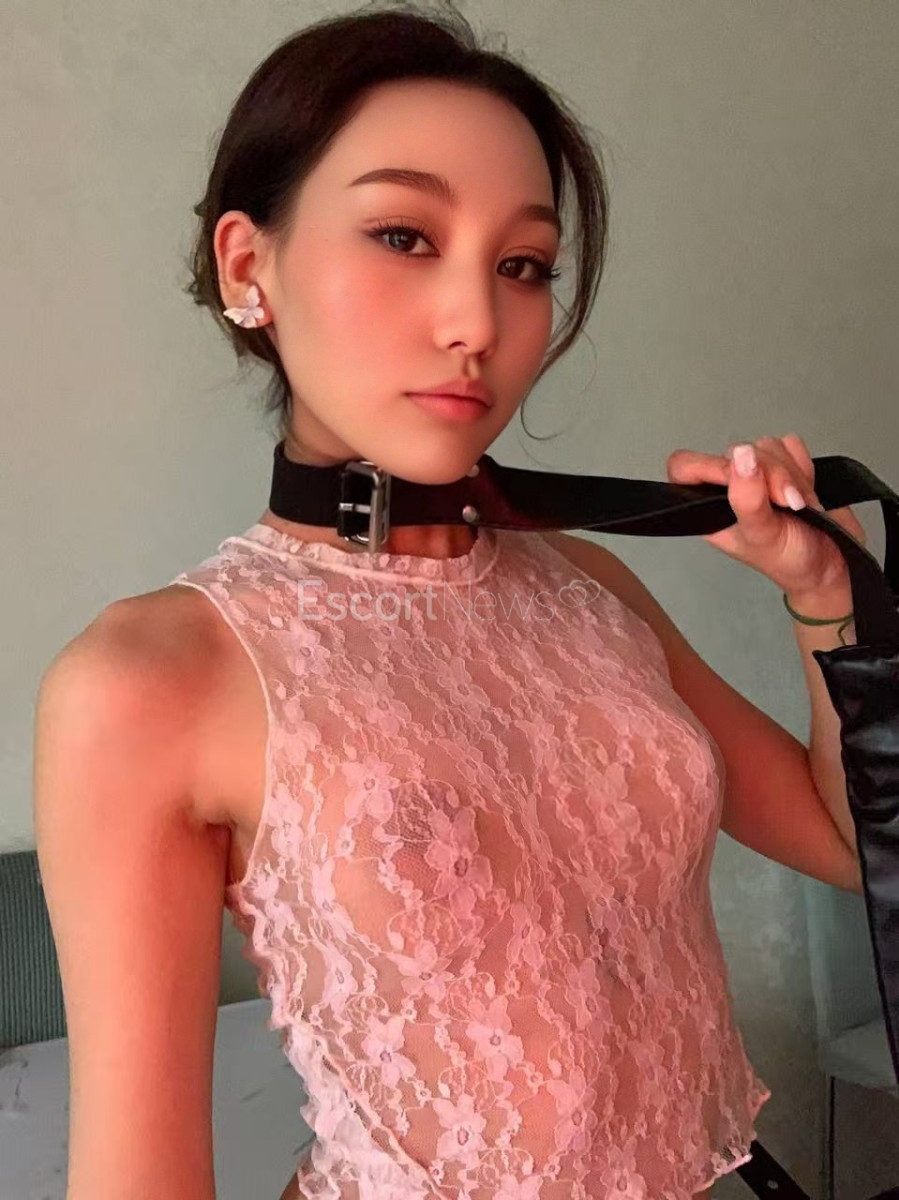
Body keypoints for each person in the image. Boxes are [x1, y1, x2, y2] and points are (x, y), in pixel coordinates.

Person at [35, 4, 867, 1197]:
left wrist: (822, 591)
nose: (477, 323)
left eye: (521, 265)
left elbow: (847, 842)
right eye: (402, 236)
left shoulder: (590, 588)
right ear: (247, 266)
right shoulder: (152, 680)